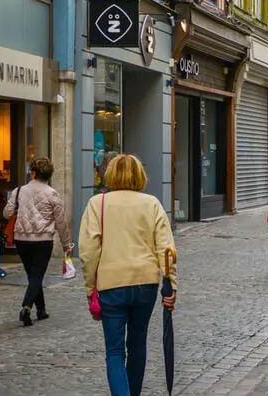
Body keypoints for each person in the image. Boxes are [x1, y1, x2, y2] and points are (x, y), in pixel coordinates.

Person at [79, 154, 176, 396]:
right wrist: (170, 284)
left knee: (114, 351)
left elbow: (89, 251)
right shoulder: (152, 203)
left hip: (111, 284)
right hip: (145, 283)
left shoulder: (97, 204)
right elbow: (166, 249)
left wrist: (90, 286)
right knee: (137, 344)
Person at [3, 157, 72, 327]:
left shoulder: (19, 191)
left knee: (33, 275)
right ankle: (26, 308)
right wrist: (66, 244)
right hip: (43, 240)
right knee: (37, 275)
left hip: (22, 239)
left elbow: (6, 213)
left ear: (33, 173)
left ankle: (41, 310)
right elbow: (61, 222)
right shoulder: (52, 194)